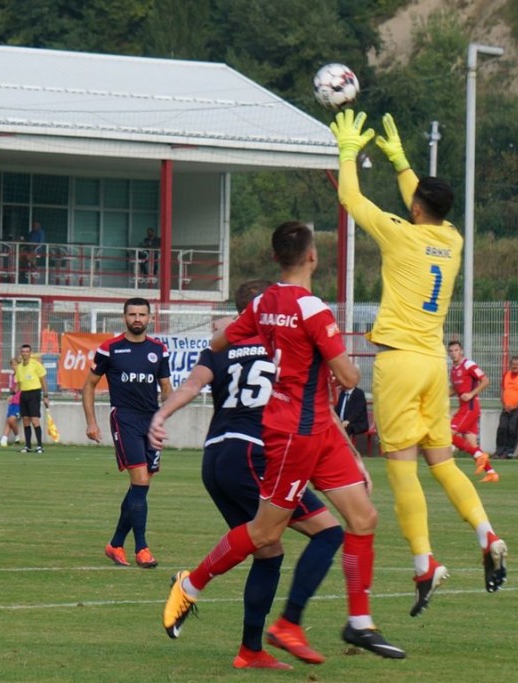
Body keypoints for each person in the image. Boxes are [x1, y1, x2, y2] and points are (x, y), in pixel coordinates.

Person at [152, 221, 405, 659]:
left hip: (318, 428)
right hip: (293, 432)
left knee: (363, 518)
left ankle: (358, 622)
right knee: (266, 532)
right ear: (313, 256)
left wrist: (273, 341)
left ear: (276, 258)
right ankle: (191, 583)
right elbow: (349, 377)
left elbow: (218, 340)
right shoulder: (312, 309)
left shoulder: (264, 302)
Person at [331, 109, 507, 616]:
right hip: (433, 362)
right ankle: (486, 533)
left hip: (401, 363)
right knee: (443, 463)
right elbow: (423, 200)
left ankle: (424, 561)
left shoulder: (401, 234)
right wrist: (402, 161)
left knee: (402, 469)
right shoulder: (452, 240)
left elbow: (351, 199)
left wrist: (348, 152)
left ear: (414, 208)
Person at [151, 279, 346, 669]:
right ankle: (191, 584)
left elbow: (192, 384)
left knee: (267, 551)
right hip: (256, 453)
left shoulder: (222, 344)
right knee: (327, 532)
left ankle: (250, 651)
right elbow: (318, 403)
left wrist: (161, 414)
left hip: (216, 457)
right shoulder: (284, 343)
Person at [82, 297, 172, 570]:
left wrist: (164, 415)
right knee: (140, 481)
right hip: (124, 418)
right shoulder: (110, 349)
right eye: (132, 314)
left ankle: (115, 543)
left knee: (140, 488)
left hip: (151, 421)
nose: (137, 319)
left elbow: (166, 387)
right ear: (124, 317)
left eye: (142, 314)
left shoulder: (159, 350)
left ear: (150, 318)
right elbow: (89, 386)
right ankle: (142, 548)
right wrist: (91, 422)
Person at [447, 339, 498, 482]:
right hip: (466, 408)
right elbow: (455, 389)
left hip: (469, 408)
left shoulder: (468, 364)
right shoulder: (453, 370)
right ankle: (491, 473)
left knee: (446, 434)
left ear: (461, 351)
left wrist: (471, 393)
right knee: (472, 444)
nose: (454, 353)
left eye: (456, 350)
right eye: (451, 351)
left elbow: (485, 381)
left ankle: (479, 456)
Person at [13, 344, 50, 453]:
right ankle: (28, 446)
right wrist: (12, 394)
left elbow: (43, 381)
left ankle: (39, 446)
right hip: (24, 394)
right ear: (21, 353)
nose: (25, 353)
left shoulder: (36, 365)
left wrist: (46, 396)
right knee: (25, 420)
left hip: (34, 393)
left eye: (27, 351)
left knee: (35, 420)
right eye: (23, 351)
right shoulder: (19, 367)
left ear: (30, 353)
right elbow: (18, 384)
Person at [495, 356, 518, 460]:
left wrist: (515, 406)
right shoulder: (506, 375)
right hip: (506, 408)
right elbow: (502, 391)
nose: (515, 366)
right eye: (513, 364)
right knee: (502, 428)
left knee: (513, 429)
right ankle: (499, 452)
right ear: (510, 365)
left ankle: (508, 453)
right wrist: (504, 404)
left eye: (517, 364)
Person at [0, 358, 22, 447]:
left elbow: (19, 387)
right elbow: (11, 388)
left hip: (20, 402)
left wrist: (12, 394)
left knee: (11, 419)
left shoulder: (21, 375)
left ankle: (17, 436)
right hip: (13, 402)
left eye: (15, 365)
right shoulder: (11, 376)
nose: (14, 367)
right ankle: (3, 440)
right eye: (12, 365)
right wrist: (10, 396)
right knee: (8, 420)